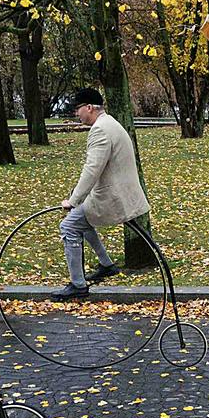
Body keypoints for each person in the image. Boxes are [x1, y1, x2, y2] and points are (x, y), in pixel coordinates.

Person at [55, 87, 151, 300]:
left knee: (68, 225)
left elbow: (92, 169)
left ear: (89, 107)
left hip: (112, 198)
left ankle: (78, 285)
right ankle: (106, 264)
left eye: (77, 109)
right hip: (121, 193)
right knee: (81, 218)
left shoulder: (99, 130)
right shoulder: (110, 123)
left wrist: (72, 200)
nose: (76, 114)